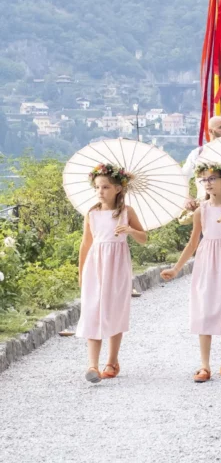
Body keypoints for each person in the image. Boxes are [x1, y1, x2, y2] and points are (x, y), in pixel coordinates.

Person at [161, 163, 221, 382]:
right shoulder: (201, 210)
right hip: (206, 259)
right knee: (204, 306)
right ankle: (204, 365)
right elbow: (192, 243)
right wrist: (176, 268)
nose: (208, 183)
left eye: (212, 178)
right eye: (204, 180)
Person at [77, 163, 147, 383]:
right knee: (93, 310)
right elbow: (85, 244)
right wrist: (81, 273)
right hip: (95, 264)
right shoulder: (92, 213)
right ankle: (92, 364)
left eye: (105, 187)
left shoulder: (127, 212)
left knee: (115, 309)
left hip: (117, 265)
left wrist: (130, 230)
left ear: (118, 188)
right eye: (97, 187)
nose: (100, 191)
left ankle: (112, 360)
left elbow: (144, 238)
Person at [182, 116, 221, 198]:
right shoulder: (198, 153)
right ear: (211, 131)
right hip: (204, 203)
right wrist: (188, 198)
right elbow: (183, 177)